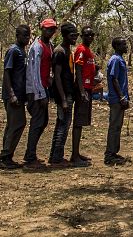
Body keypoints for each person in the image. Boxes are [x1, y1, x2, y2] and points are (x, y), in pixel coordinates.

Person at [0, 24, 31, 169]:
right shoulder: (13, 51)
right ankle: (4, 157)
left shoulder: (23, 51)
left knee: (14, 124)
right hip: (13, 95)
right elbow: (7, 73)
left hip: (20, 94)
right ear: (17, 35)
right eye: (24, 35)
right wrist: (11, 94)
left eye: (28, 35)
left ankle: (7, 155)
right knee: (18, 123)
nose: (27, 38)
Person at [24, 18, 57, 169]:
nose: (50, 32)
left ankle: (30, 153)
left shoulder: (49, 46)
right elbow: (33, 71)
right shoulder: (36, 47)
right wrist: (40, 94)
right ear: (42, 29)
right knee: (37, 122)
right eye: (48, 29)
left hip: (44, 87)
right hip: (36, 90)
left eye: (53, 29)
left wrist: (49, 81)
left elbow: (45, 69)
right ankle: (30, 157)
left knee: (42, 122)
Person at [49, 22, 79, 167]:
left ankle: (55, 155)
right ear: (65, 35)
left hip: (68, 92)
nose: (75, 38)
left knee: (62, 124)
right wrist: (63, 99)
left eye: (76, 35)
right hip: (63, 94)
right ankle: (57, 158)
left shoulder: (68, 50)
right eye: (72, 35)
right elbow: (57, 76)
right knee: (63, 125)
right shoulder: (60, 51)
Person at [71, 26, 98, 166]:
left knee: (81, 122)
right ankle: (74, 156)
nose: (90, 38)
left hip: (88, 88)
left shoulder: (89, 51)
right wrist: (82, 92)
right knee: (78, 122)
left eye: (92, 35)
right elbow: (79, 70)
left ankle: (77, 153)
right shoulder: (81, 50)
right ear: (82, 36)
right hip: (83, 90)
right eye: (87, 35)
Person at [104, 36, 130, 165]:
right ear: (117, 46)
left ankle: (114, 152)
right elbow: (114, 79)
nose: (126, 46)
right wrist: (121, 97)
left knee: (118, 126)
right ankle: (109, 155)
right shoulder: (115, 60)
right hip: (116, 98)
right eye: (124, 44)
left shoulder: (120, 59)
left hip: (120, 98)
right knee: (114, 126)